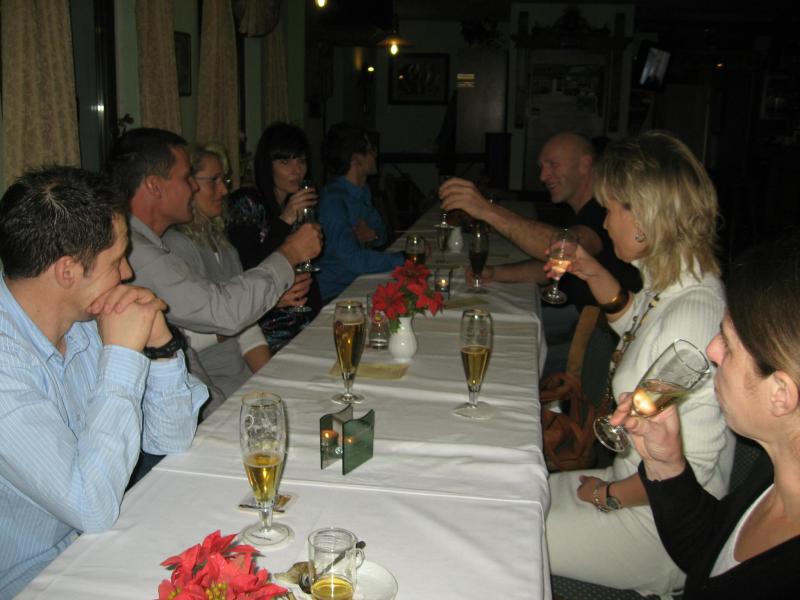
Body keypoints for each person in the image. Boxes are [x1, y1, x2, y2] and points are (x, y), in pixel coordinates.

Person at [0, 167, 206, 596]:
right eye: (116, 261)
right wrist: (123, 356)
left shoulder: (78, 323)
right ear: (67, 271)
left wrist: (162, 347)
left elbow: (171, 440)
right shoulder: (7, 368)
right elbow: (90, 506)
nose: (128, 273)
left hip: (100, 548)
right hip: (32, 580)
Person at [544, 131, 734, 595]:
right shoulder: (677, 285)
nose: (606, 223)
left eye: (612, 209)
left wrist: (606, 494)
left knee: (507, 533)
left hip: (660, 528)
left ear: (645, 216)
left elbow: (689, 471)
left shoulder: (692, 317)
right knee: (514, 497)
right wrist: (592, 271)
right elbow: (638, 324)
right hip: (630, 484)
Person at [608, 234, 800, 598]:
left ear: (781, 394)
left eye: (728, 343)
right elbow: (707, 552)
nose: (712, 350)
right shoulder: (776, 471)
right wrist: (667, 464)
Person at [107, 128, 321, 414]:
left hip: (213, 395)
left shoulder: (157, 245)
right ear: (155, 186)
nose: (193, 189)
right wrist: (290, 252)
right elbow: (224, 312)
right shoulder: (138, 254)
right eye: (187, 179)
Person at [439, 132, 641, 373]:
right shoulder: (575, 209)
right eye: (542, 167)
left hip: (605, 339)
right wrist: (496, 273)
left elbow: (571, 249)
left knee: (500, 358)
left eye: (552, 165)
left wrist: (486, 210)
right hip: (580, 318)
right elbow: (556, 261)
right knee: (491, 328)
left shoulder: (602, 210)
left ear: (585, 164)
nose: (543, 176)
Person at [163, 143, 285, 414]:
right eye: (214, 181)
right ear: (188, 184)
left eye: (224, 180)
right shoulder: (175, 247)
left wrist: (271, 384)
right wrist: (237, 320)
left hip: (240, 380)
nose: (224, 190)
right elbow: (181, 340)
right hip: (208, 389)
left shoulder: (225, 247)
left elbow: (248, 330)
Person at [226, 122, 322, 353]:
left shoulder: (296, 205)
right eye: (285, 162)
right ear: (267, 165)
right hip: (266, 328)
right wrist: (285, 219)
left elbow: (306, 270)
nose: (296, 170)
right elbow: (248, 269)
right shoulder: (247, 202)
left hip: (302, 318)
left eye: (301, 160)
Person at [315, 122, 404, 302]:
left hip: (359, 282)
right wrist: (405, 257)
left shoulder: (362, 191)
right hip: (335, 295)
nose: (375, 154)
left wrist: (374, 235)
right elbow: (354, 261)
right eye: (371, 150)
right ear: (357, 159)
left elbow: (382, 234)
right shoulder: (333, 202)